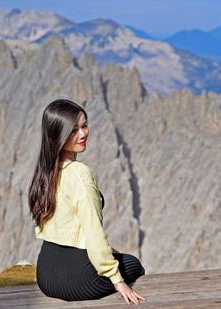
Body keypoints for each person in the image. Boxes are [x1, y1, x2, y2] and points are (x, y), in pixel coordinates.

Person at [28, 99, 145, 305]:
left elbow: (63, 225)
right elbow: (93, 231)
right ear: (58, 134)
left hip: (46, 275)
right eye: (73, 130)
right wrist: (118, 282)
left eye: (84, 126)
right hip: (79, 279)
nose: (82, 134)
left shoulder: (46, 172)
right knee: (133, 264)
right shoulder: (80, 174)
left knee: (119, 258)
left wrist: (107, 251)